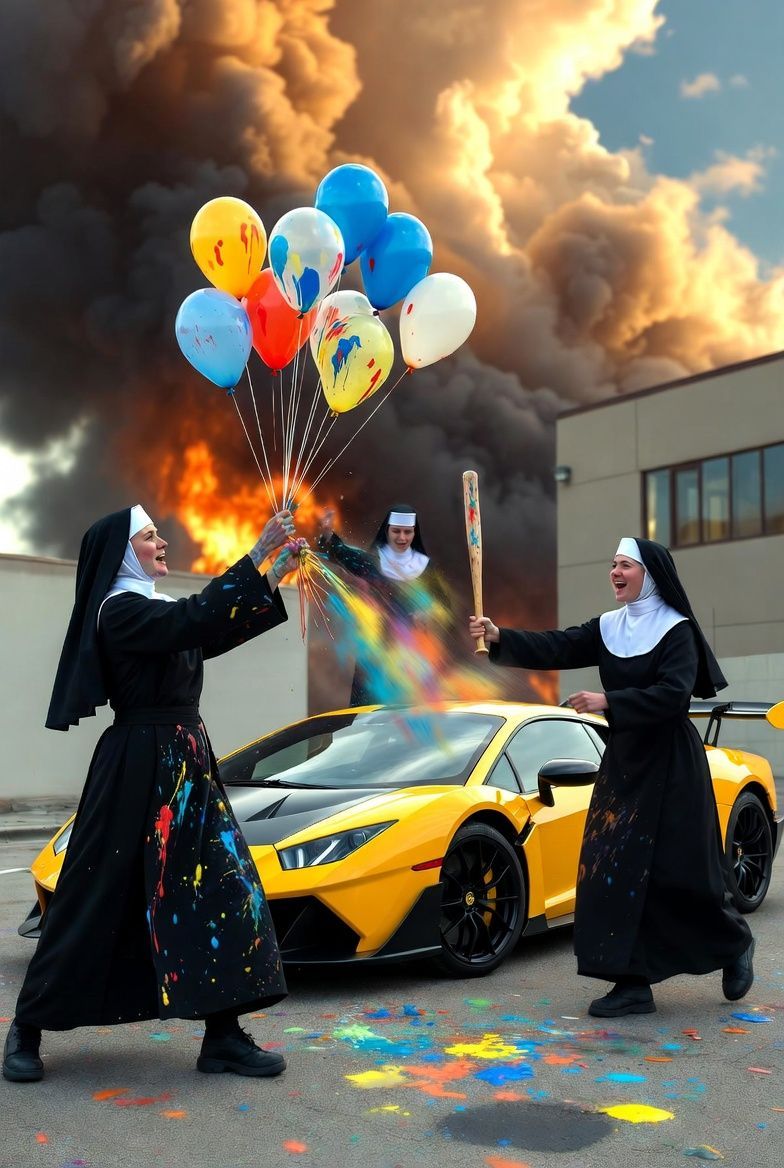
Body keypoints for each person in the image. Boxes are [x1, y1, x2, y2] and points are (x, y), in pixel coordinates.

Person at [3, 504, 301, 1083]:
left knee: (221, 891)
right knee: (93, 894)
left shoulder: (157, 610)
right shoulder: (118, 610)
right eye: (150, 535)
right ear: (122, 554)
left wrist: (271, 576)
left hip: (187, 764)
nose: (163, 540)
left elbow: (206, 629)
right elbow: (193, 620)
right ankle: (29, 1025)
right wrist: (257, 554)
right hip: (138, 763)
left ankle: (223, 1037)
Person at [468, 536, 754, 1018]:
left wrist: (609, 701)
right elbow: (557, 644)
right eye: (612, 565)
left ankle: (734, 945)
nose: (615, 573)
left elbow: (674, 696)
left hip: (673, 763)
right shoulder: (608, 627)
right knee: (610, 868)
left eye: (625, 565)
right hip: (626, 761)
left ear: (649, 575)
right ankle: (632, 983)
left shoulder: (676, 630)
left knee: (681, 873)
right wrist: (499, 636)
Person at [317, 503, 447, 705]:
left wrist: (430, 613)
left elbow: (443, 606)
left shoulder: (427, 569)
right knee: (367, 719)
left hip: (412, 658)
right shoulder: (373, 561)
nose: (402, 538)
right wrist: (327, 534)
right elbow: (342, 553)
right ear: (387, 531)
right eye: (396, 531)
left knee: (409, 715)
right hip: (374, 656)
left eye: (407, 532)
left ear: (415, 533)